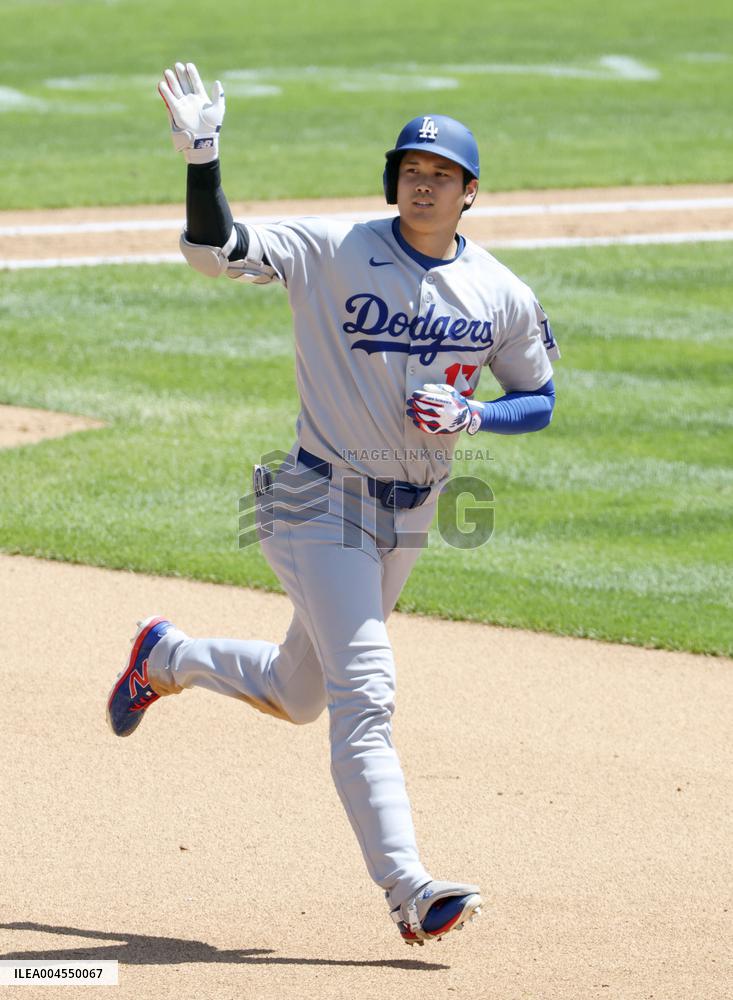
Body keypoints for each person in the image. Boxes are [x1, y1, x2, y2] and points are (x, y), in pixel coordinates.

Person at [107, 62, 560, 947]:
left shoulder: (499, 291)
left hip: (411, 515)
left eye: (441, 175)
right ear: (393, 181)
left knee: (299, 691)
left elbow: (538, 399)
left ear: (469, 192)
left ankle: (165, 656)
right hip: (316, 501)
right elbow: (214, 249)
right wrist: (202, 161)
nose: (422, 184)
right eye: (409, 170)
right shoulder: (330, 248)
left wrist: (476, 415)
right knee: (367, 690)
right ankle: (409, 889)